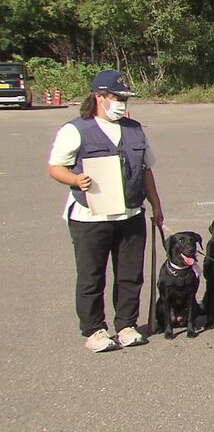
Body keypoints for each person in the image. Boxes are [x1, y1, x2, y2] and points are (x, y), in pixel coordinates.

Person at [47, 70, 163, 352]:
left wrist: (157, 205)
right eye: (117, 97)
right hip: (90, 217)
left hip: (130, 214)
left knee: (130, 273)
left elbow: (146, 170)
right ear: (99, 97)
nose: (122, 103)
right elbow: (55, 167)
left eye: (124, 98)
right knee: (92, 275)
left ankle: (126, 325)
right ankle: (95, 330)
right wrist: (75, 179)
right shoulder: (75, 130)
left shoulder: (135, 129)